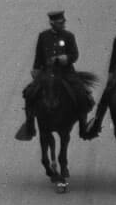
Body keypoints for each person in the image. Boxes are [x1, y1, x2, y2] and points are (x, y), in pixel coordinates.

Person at [15, 10, 83, 140]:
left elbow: (75, 55)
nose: (63, 24)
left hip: (65, 72)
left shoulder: (69, 36)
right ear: (52, 23)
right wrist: (35, 69)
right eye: (60, 22)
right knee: (29, 93)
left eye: (63, 21)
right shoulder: (43, 36)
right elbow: (38, 55)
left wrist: (66, 58)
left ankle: (83, 125)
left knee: (81, 93)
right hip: (47, 72)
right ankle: (30, 123)